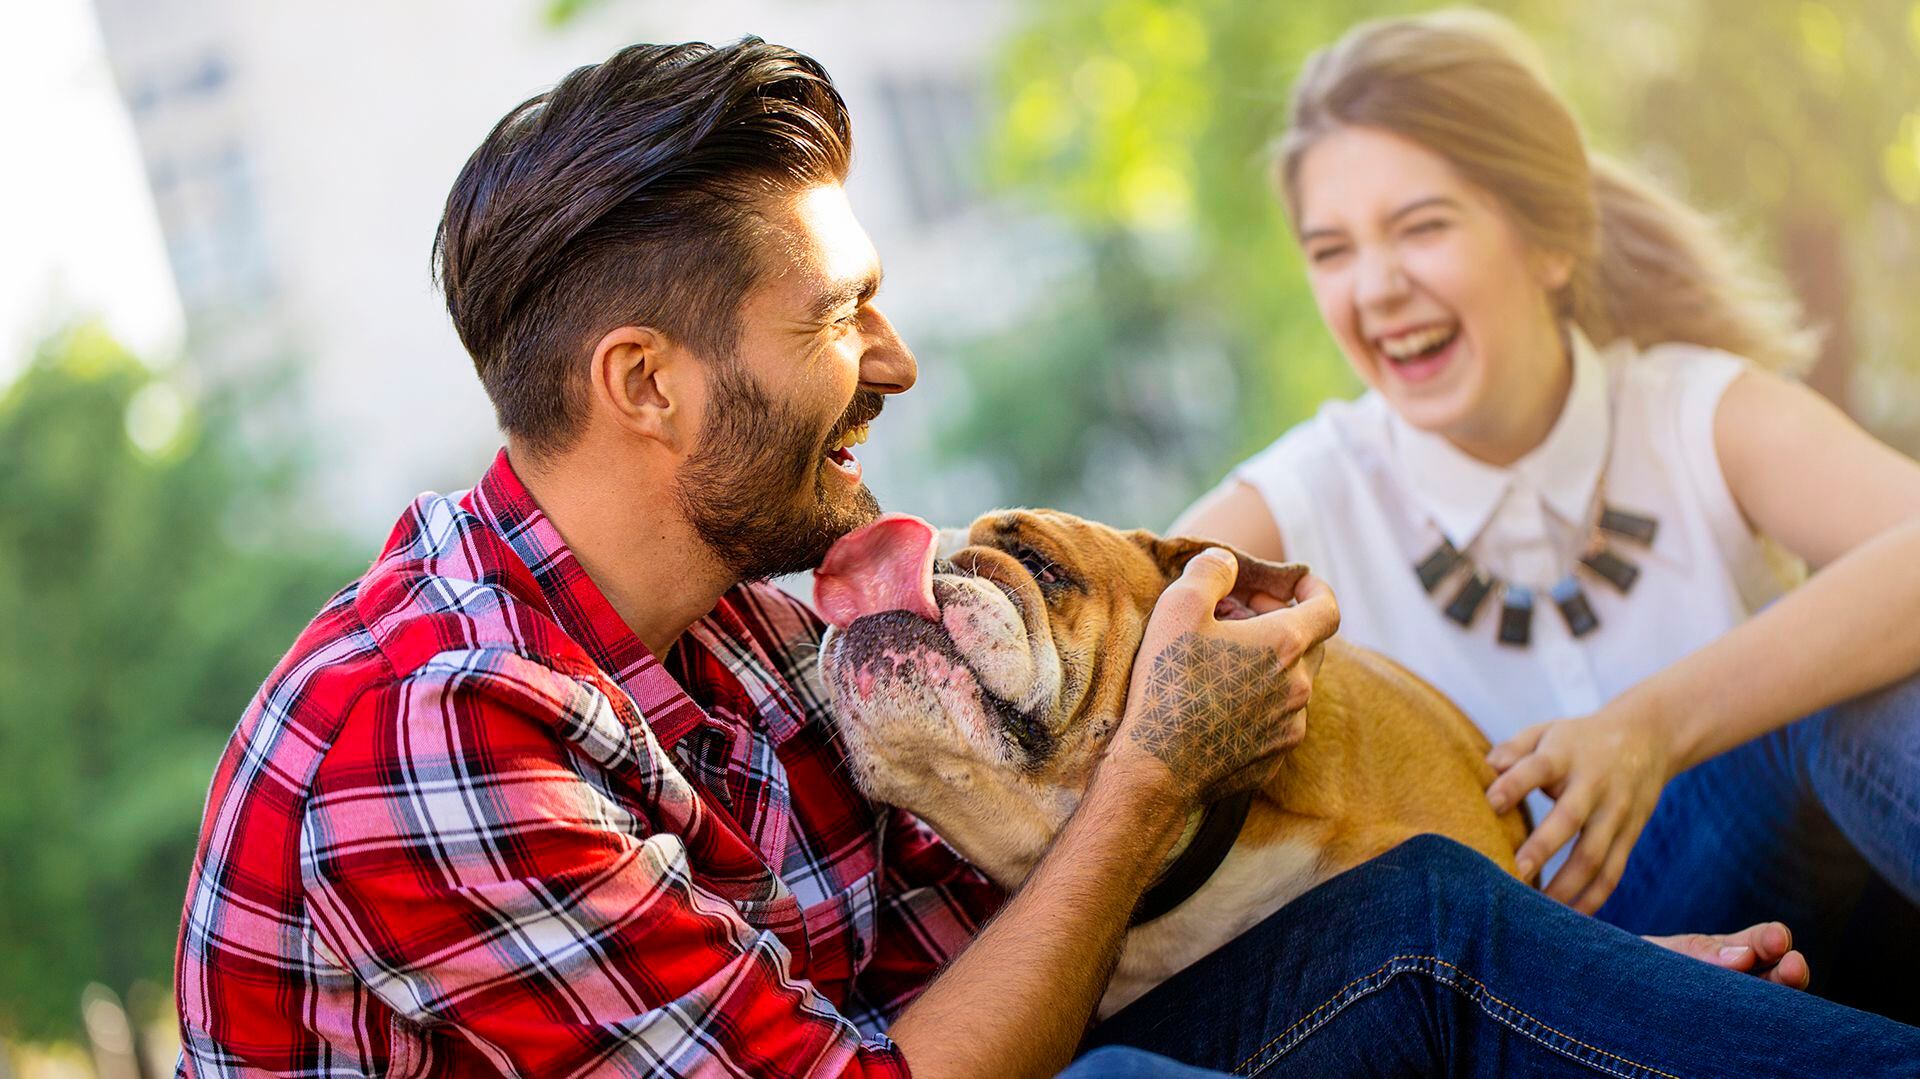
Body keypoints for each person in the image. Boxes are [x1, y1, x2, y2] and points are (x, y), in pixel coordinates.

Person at [171, 36, 1920, 1079]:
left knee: (1432, 926)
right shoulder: (439, 728)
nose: (900, 360)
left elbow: (1011, 927)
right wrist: (1154, 760)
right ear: (648, 381)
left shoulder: (744, 635)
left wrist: (1598, 983)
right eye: (841, 316)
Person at [1176, 10, 1920, 1019]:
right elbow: (1130, 684)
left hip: (1808, 911)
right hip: (1515, 995)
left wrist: (1649, 727)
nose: (1378, 285)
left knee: (1851, 695)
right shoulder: (1299, 498)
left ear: (1552, 240)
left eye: (1423, 226)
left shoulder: (1694, 409)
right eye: (1332, 249)